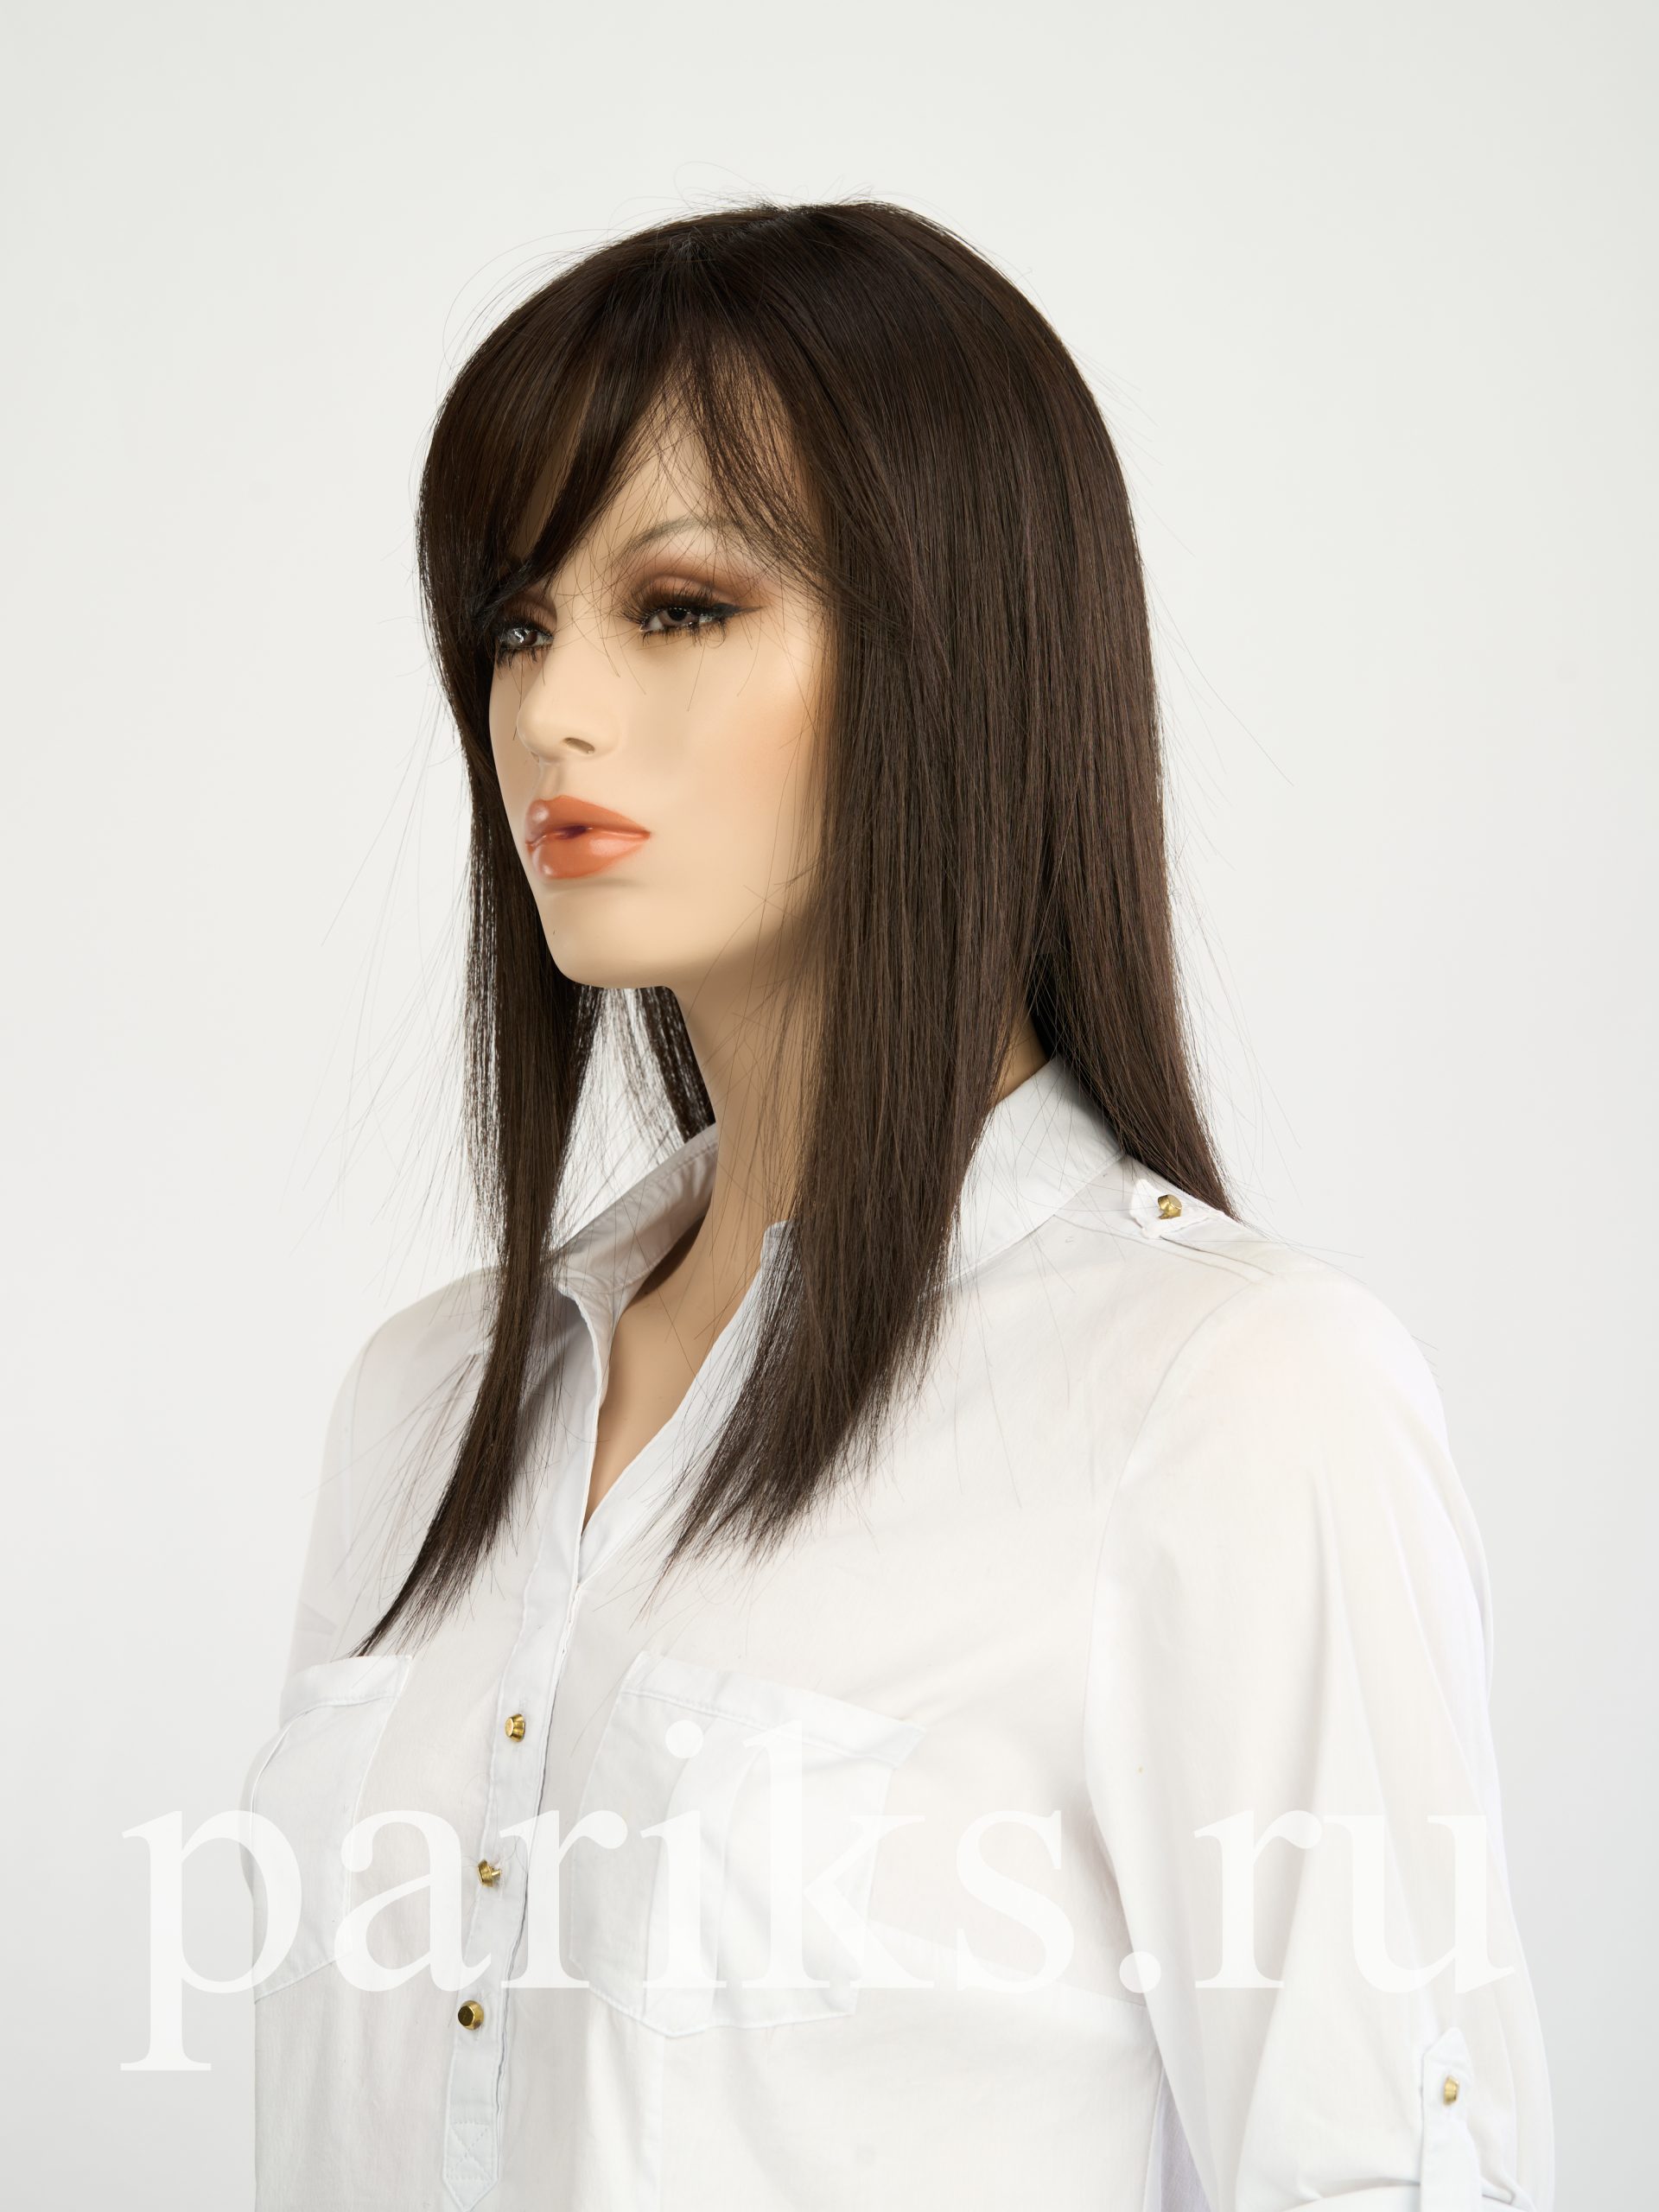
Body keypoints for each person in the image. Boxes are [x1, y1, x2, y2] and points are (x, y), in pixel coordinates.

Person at [240, 200, 1554, 2210]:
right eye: (515, 621)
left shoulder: (1230, 1404)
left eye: (680, 604)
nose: (551, 707)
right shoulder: (426, 1408)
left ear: (957, 649)